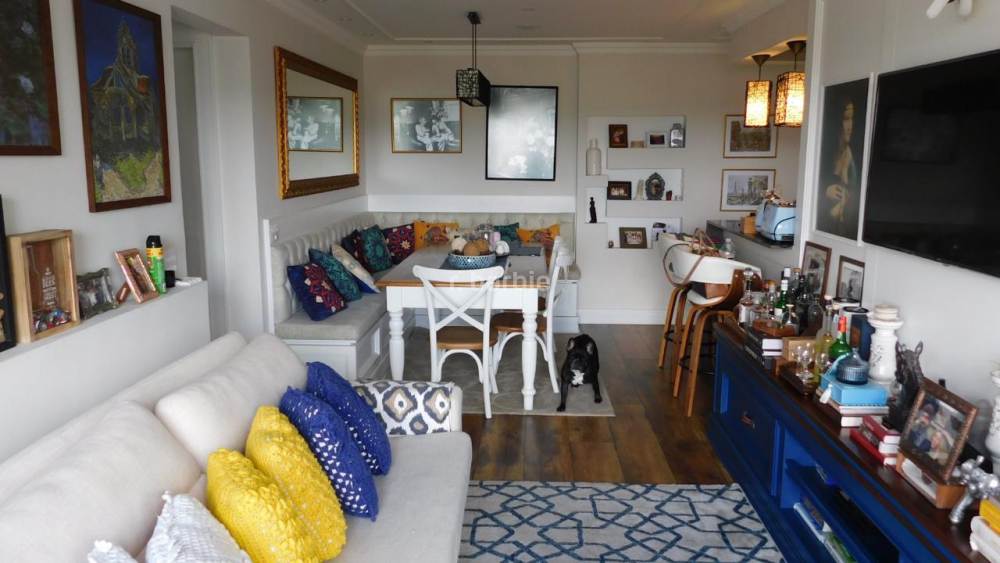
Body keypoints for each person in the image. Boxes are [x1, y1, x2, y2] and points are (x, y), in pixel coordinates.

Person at [824, 101, 858, 226]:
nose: (850, 126)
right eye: (846, 119)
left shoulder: (851, 154)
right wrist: (825, 191)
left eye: (852, 119)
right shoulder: (826, 153)